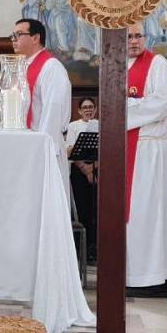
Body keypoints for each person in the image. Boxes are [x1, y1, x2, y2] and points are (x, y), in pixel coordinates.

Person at [124, 23, 167, 296]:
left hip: (151, 151)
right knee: (134, 216)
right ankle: (135, 274)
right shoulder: (118, 67)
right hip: (129, 150)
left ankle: (154, 278)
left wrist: (128, 108)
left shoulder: (159, 65)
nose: (134, 41)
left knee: (152, 214)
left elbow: (165, 103)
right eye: (128, 36)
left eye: (138, 36)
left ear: (147, 38)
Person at [11, 18, 71, 183]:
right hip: (25, 145)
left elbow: (53, 110)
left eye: (19, 34)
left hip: (43, 147)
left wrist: (42, 149)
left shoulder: (51, 67)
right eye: (13, 35)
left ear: (35, 38)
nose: (13, 39)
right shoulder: (23, 67)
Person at [66, 98, 99, 262]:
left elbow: (107, 149)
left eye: (91, 107)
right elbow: (70, 150)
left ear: (95, 109)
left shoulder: (100, 124)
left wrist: (93, 168)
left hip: (97, 170)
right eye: (85, 107)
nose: (88, 110)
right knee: (81, 211)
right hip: (79, 172)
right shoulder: (73, 126)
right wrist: (85, 170)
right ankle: (80, 252)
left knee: (96, 211)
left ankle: (94, 249)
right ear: (79, 111)